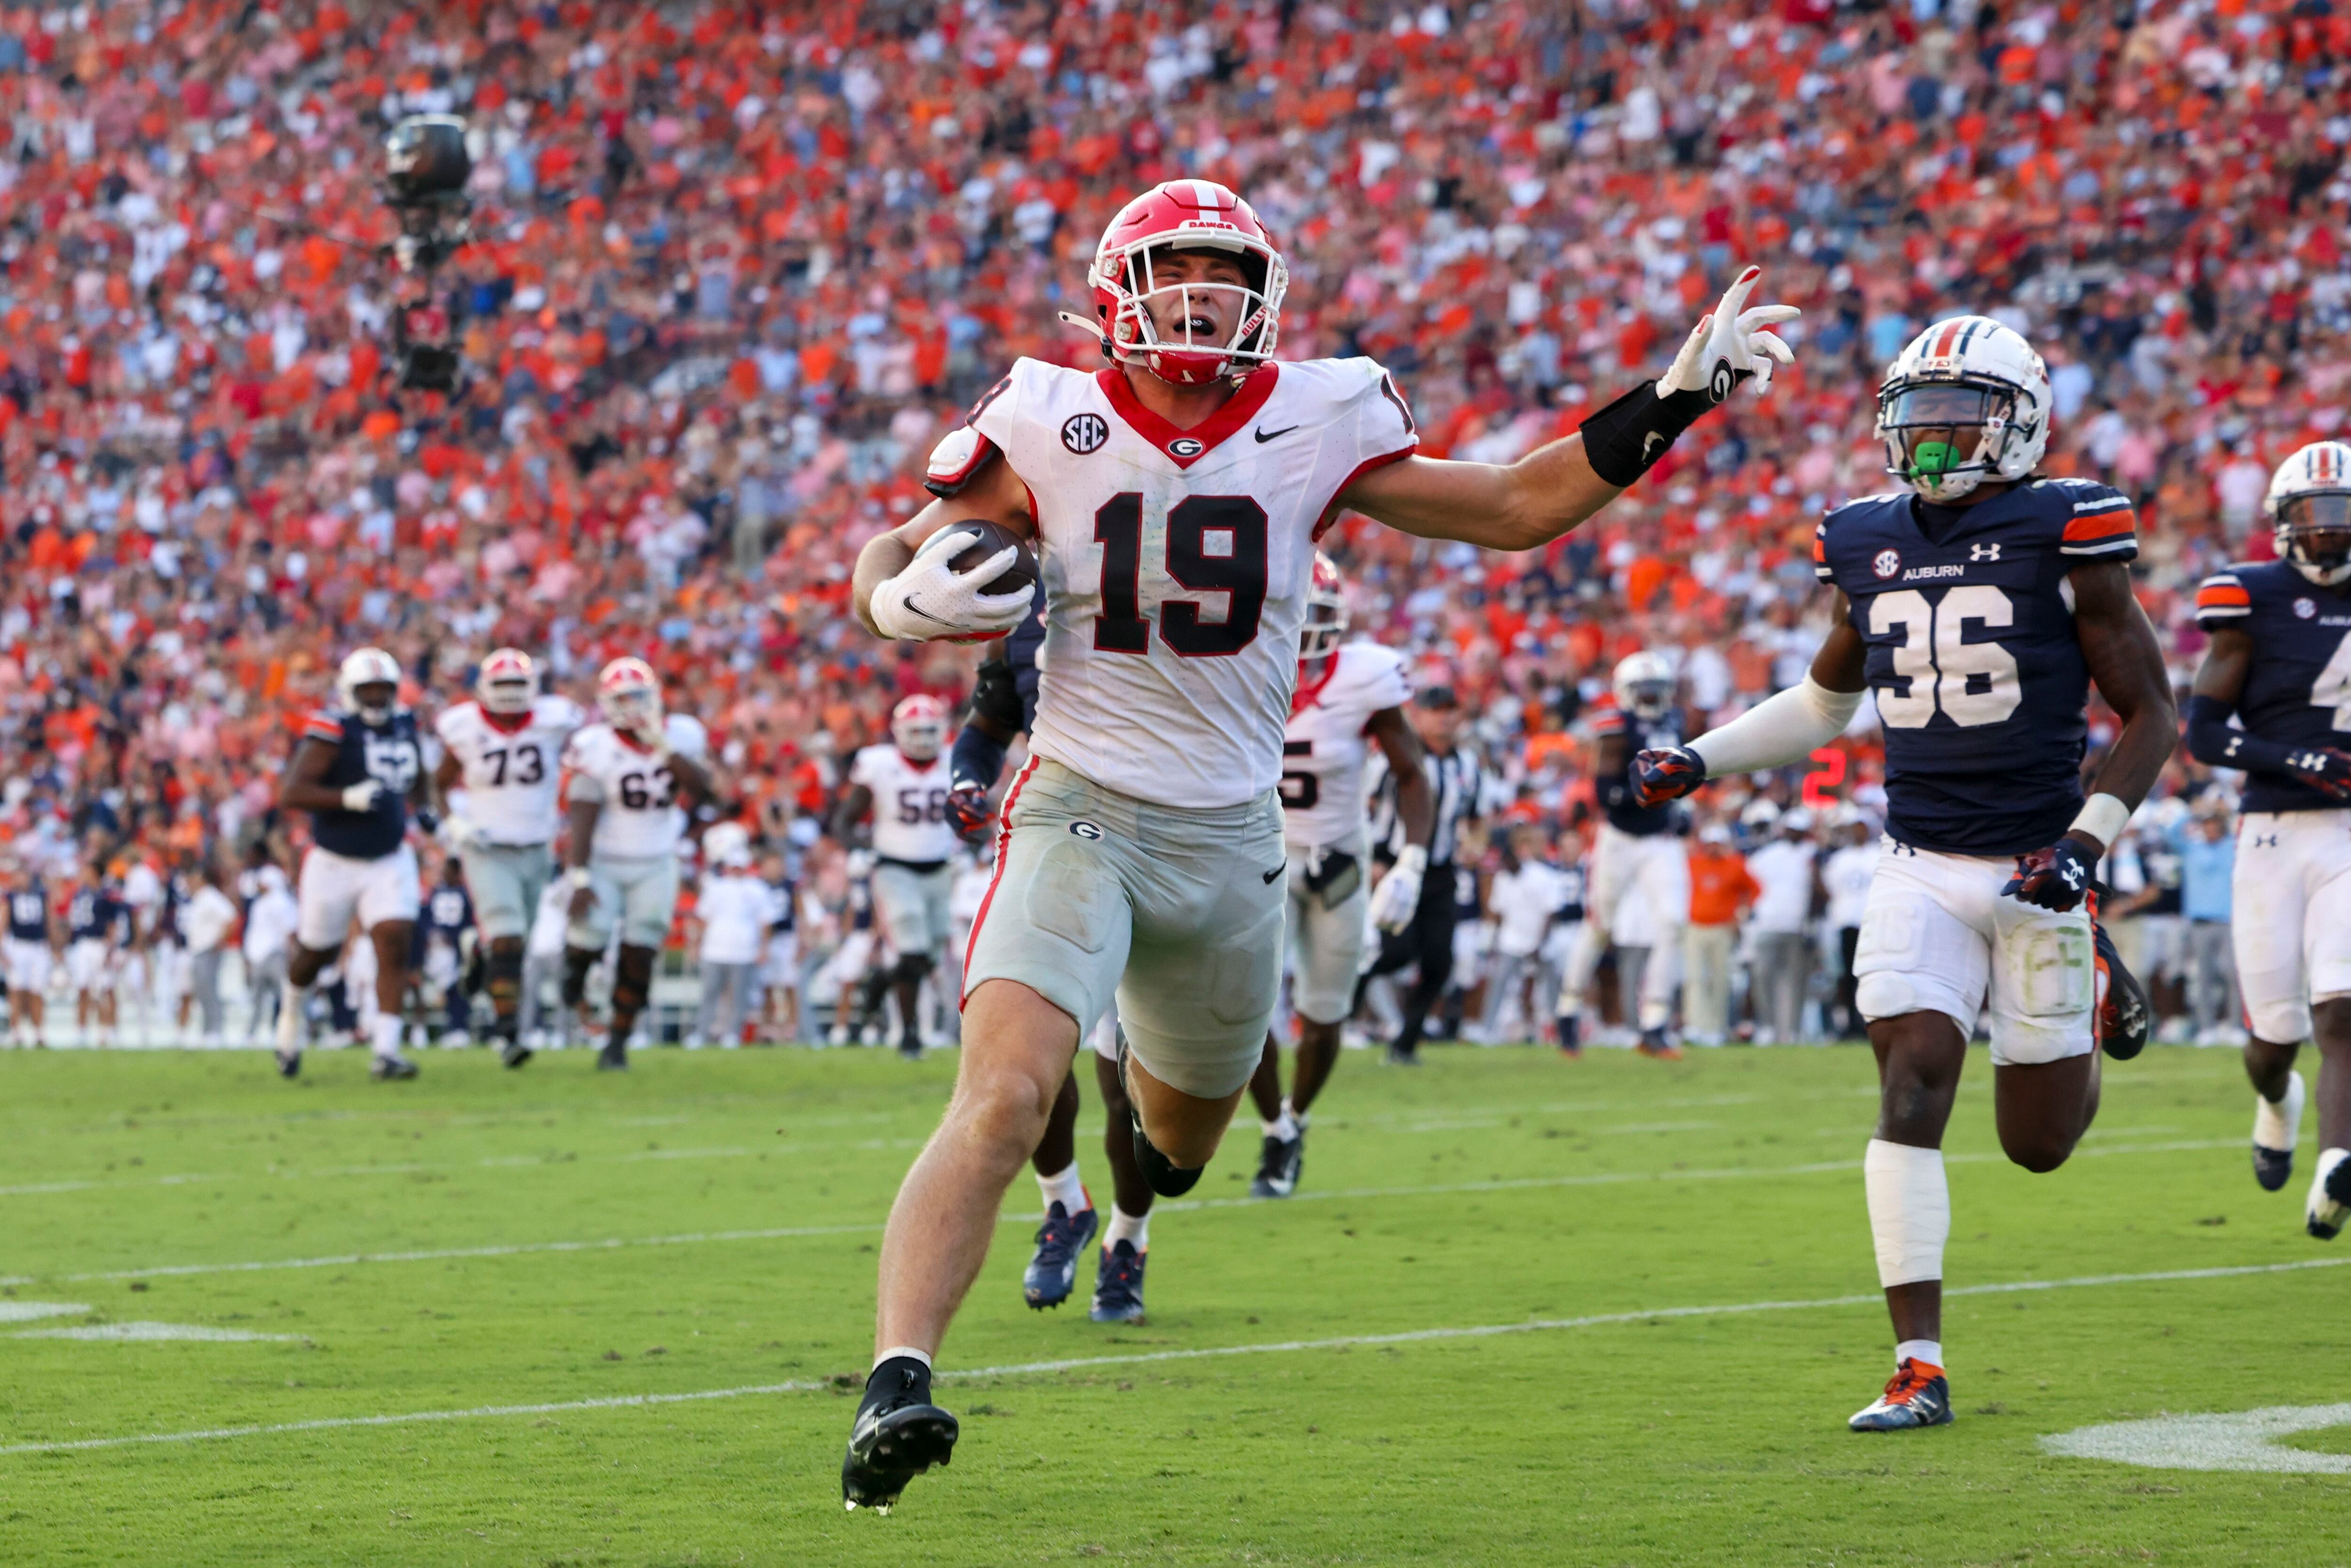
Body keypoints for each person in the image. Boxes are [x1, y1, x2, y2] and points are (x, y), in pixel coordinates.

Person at [840, 177, 1797, 1508]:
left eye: (1224, 276)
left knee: (1173, 1148)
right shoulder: (1040, 412)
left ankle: (1125, 1088)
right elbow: (901, 538)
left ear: (1264, 295)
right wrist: (894, 598)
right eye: (1174, 272)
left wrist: (1675, 396)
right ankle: (898, 1377)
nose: (1200, 299)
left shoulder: (1319, 410)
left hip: (1232, 841)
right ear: (1119, 289)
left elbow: (1519, 504)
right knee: (1001, 1095)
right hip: (1077, 806)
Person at [1633, 315, 2168, 1433]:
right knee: (1912, 1080)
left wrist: (2084, 847)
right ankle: (1915, 1365)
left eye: (1958, 415)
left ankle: (2095, 983)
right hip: (1917, 861)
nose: (1932, 437)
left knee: (2038, 1145)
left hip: (2039, 868)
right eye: (1917, 415)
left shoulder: (2065, 525)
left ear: (2017, 422)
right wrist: (1701, 754)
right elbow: (1827, 701)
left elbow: (2150, 712)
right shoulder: (1865, 537)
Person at [942, 596, 1150, 1322]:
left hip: (1170, 851)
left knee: (1133, 1095)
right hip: (1064, 845)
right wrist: (968, 779)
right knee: (1024, 1056)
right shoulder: (1022, 612)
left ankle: (1130, 1235)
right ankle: (1065, 1200)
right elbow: (988, 726)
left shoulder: (1168, 597)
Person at [2185, 438, 2351, 1236]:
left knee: (2343, 1010)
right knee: (2274, 1038)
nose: (2329, 534)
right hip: (2273, 833)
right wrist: (2298, 758)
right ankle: (2277, 1103)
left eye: (2342, 518)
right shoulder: (2251, 598)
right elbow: (2205, 734)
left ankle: (2336, 1162)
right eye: (2314, 519)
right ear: (2285, 524)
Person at [1249, 551, 1431, 1196]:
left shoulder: (1364, 677)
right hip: (1256, 858)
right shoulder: (1234, 666)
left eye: (1315, 614)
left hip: (1338, 860)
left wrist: (1411, 858)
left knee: (1326, 1012)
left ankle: (1296, 1117)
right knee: (1246, 1012)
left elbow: (1411, 770)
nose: (1303, 628)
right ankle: (1274, 1129)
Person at [275, 648, 432, 1081]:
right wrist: (346, 798)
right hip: (334, 859)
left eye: (385, 690)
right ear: (350, 692)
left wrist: (426, 807)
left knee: (395, 940)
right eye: (369, 690)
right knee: (316, 953)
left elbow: (420, 772)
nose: (378, 698)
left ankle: (387, 1050)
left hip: (389, 855)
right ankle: (291, 1018)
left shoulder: (404, 724)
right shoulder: (334, 729)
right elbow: (292, 793)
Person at [431, 647, 587, 1066]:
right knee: (510, 936)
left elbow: (583, 754)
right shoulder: (464, 726)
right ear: (484, 688)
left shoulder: (555, 721)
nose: (510, 693)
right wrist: (456, 825)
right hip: (486, 845)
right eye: (502, 685)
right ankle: (507, 1034)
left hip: (537, 846)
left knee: (515, 944)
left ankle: (479, 952)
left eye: (518, 684)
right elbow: (438, 783)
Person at [558, 656, 714, 1071]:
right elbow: (582, 812)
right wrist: (580, 874)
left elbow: (705, 791)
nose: (631, 707)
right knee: (587, 940)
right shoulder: (594, 744)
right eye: (622, 699)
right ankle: (572, 978)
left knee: (641, 954)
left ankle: (617, 1042)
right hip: (606, 858)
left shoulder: (682, 733)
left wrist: (662, 745)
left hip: (657, 858)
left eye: (638, 697)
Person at [1557, 652, 1693, 1059]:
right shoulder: (1616, 726)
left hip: (1659, 838)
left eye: (1657, 691)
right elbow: (1604, 793)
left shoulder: (1674, 722)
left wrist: (1678, 805)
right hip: (1618, 836)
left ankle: (1654, 1022)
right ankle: (1568, 1010)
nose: (1652, 698)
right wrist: (1649, 794)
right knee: (1601, 924)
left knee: (1673, 922)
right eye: (1644, 691)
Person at [1357, 685, 1485, 1065]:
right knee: (1395, 951)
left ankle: (1405, 1043)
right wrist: (1374, 857)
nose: (1445, 717)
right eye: (1436, 710)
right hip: (1395, 864)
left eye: (1451, 709)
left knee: (1440, 962)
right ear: (1419, 715)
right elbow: (1365, 807)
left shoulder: (1468, 764)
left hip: (1442, 870)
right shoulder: (1393, 758)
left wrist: (1475, 844)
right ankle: (1339, 1009)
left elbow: (1476, 816)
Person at [833, 694, 959, 1058]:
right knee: (911, 947)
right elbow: (845, 819)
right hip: (894, 867)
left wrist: (981, 838)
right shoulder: (879, 764)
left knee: (928, 956)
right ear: (899, 732)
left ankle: (878, 986)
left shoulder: (954, 761)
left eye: (929, 730)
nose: (922, 738)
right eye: (915, 731)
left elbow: (973, 814)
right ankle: (910, 1035)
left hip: (940, 868)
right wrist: (857, 846)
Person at [1472, 824, 1572, 1048]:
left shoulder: (1542, 876)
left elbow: (1551, 913)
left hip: (1540, 942)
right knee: (1499, 981)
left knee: (1551, 986)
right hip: (1512, 940)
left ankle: (1559, 1032)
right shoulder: (1502, 879)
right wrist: (1490, 940)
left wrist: (1540, 942)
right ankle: (1487, 1029)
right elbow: (1498, 913)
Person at [691, 825, 773, 1048]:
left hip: (744, 950)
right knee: (710, 994)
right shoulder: (715, 888)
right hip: (715, 948)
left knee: (739, 997)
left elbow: (765, 922)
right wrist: (697, 946)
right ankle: (702, 1033)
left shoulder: (757, 889)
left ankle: (733, 1034)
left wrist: (763, 948)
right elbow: (703, 919)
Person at [1745, 808, 1820, 1045]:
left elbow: (1816, 893)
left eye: (1799, 831)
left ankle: (1792, 1030)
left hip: (1797, 927)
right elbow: (1749, 886)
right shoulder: (1766, 856)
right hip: (1767, 924)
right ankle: (1768, 1027)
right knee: (1763, 978)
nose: (1794, 834)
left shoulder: (1810, 855)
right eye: (1791, 830)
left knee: (1795, 982)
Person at [1682, 823, 1759, 1047]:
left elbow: (1755, 889)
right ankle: (1695, 1025)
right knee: (1695, 978)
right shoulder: (1692, 864)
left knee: (1720, 979)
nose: (1713, 848)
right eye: (1710, 844)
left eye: (1717, 844)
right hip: (1695, 927)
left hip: (1723, 929)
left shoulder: (1735, 865)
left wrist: (1741, 915)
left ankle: (1715, 1028)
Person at [2175, 796, 2239, 1047]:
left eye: (2215, 826)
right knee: (2203, 977)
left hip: (2227, 920)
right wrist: (2192, 812)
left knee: (2233, 976)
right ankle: (2207, 1028)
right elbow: (2171, 833)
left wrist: (2228, 812)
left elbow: (2245, 832)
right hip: (2200, 921)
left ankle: (2235, 1026)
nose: (2210, 830)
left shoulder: (2231, 847)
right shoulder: (2192, 848)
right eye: (2207, 826)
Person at [1820, 809, 1881, 1040]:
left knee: (1871, 973)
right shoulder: (1840, 859)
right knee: (1847, 974)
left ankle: (1871, 1019)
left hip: (1872, 921)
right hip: (1846, 921)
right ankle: (1850, 1020)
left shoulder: (1878, 855)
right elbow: (1829, 889)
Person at [63, 858, 129, 1047]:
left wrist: (110, 949)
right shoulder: (80, 893)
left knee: (106, 989)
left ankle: (110, 1030)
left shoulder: (107, 895)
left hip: (100, 944)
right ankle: (82, 1031)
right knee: (83, 988)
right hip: (83, 944)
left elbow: (113, 925)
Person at [416, 854, 478, 1046]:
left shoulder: (465, 894)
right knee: (431, 987)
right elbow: (426, 918)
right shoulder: (436, 893)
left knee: (457, 988)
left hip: (456, 948)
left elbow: (470, 921)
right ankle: (422, 1032)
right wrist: (432, 935)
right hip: (436, 948)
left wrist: (456, 939)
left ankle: (458, 1029)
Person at [181, 864, 239, 1047]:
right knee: (203, 992)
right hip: (198, 951)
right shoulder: (198, 899)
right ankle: (208, 1030)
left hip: (208, 951)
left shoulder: (211, 896)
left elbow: (231, 918)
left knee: (210, 991)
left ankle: (215, 1031)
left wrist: (219, 941)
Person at [240, 862, 298, 1043]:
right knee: (257, 998)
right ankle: (252, 1033)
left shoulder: (282, 902)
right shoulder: (260, 904)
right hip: (258, 957)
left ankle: (287, 1031)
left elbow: (290, 931)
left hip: (276, 955)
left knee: (284, 996)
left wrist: (292, 956)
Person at [4, 861, 56, 1048]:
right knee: (16, 990)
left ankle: (39, 1031)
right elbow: (3, 923)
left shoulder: (41, 895)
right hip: (18, 946)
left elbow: (49, 921)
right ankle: (16, 1031)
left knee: (37, 990)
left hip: (38, 947)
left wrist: (55, 947)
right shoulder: (9, 897)